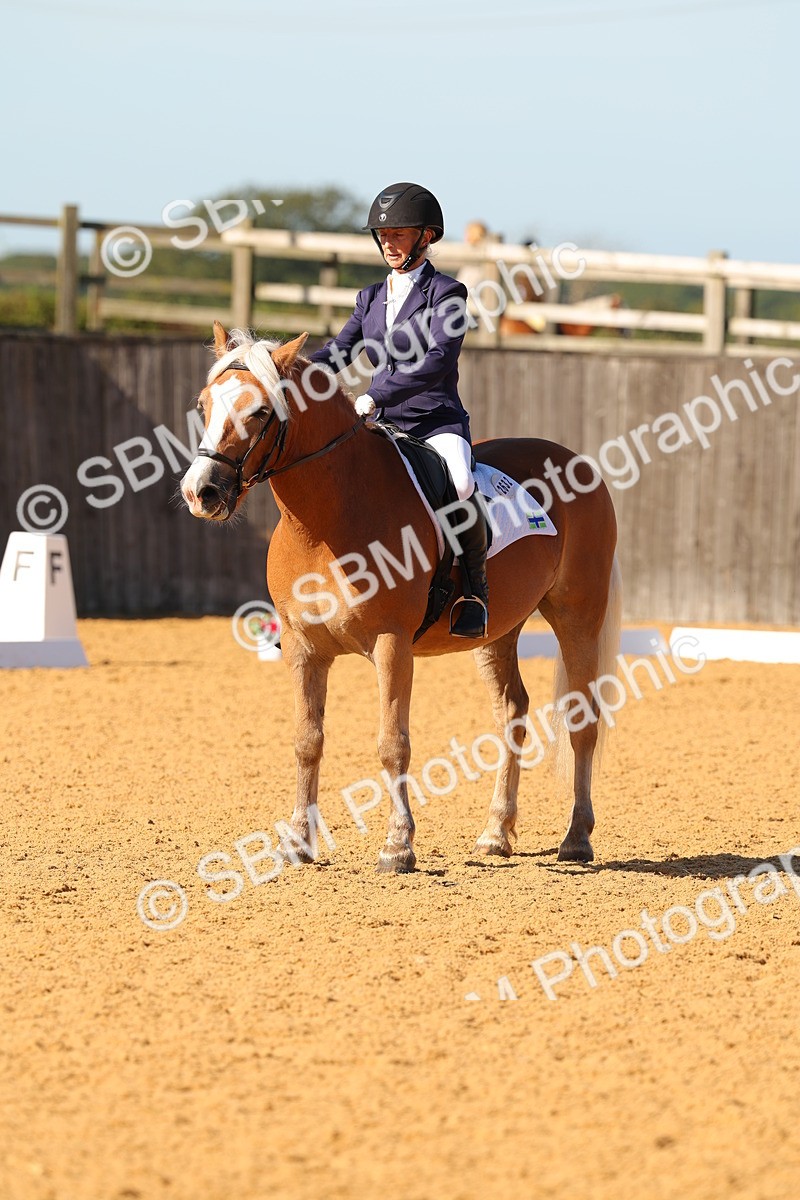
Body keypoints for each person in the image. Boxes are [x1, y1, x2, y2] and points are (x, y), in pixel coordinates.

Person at [308, 182, 488, 639]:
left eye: (400, 234)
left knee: (462, 482)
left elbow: (437, 362)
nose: (389, 242)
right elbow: (340, 350)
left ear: (426, 237)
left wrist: (376, 397)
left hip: (433, 420)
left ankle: (473, 590)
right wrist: (290, 373)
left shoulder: (447, 293)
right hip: (382, 425)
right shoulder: (369, 298)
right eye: (383, 235)